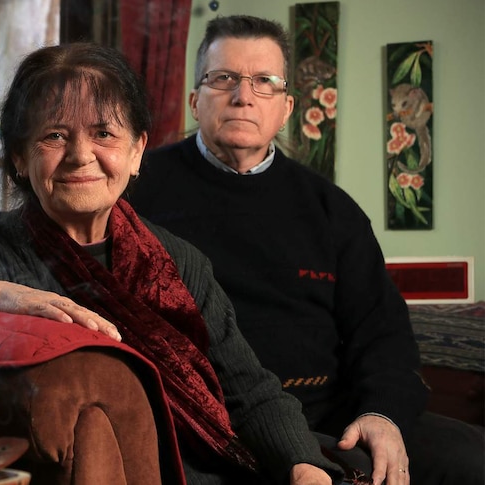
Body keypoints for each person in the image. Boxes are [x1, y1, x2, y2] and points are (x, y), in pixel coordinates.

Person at [0, 42, 356, 485]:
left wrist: (302, 464)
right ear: (20, 156)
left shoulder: (177, 259)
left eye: (104, 134)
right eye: (54, 136)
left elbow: (249, 390)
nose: (81, 155)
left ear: (136, 153)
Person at [127, 14, 484, 485]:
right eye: (224, 78)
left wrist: (383, 414)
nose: (243, 95)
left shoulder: (332, 209)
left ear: (287, 107)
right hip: (199, 421)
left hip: (331, 418)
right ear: (195, 100)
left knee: (472, 460)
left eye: (264, 82)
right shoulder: (137, 191)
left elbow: (382, 333)